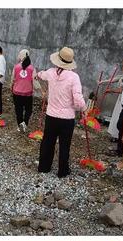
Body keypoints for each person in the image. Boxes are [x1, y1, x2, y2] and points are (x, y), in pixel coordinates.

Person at [37, 47, 86, 178]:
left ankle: (44, 167)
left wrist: (38, 74)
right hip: (67, 119)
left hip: (51, 116)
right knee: (65, 145)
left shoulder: (51, 72)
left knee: (47, 142)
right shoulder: (74, 77)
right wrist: (83, 109)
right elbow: (78, 99)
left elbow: (41, 75)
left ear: (58, 60)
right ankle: (62, 171)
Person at [11, 49, 37, 133]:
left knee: (18, 110)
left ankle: (20, 125)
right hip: (28, 93)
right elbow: (35, 82)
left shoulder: (16, 67)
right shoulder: (32, 68)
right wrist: (41, 90)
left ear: (21, 56)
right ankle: (25, 123)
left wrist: (11, 86)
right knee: (28, 109)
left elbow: (12, 79)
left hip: (17, 92)